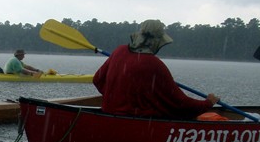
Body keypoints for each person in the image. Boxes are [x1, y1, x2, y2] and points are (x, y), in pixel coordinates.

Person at [92, 19, 220, 119]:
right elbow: (180, 103)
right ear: (156, 41)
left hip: (109, 114)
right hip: (137, 122)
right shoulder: (154, 64)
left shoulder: (119, 51)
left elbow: (97, 80)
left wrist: (116, 99)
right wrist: (208, 103)